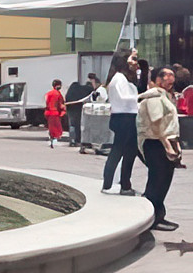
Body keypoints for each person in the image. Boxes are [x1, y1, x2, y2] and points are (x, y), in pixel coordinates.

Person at [137, 65, 181, 230]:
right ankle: (150, 217)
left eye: (172, 75)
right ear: (156, 79)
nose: (170, 79)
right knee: (157, 181)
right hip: (155, 143)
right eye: (166, 76)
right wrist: (167, 146)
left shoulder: (165, 96)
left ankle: (158, 215)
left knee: (164, 180)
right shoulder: (154, 97)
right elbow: (156, 124)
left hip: (164, 142)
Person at [102, 52, 142, 196]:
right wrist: (141, 97)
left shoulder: (125, 78)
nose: (135, 62)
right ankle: (110, 183)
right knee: (118, 151)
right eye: (133, 58)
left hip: (128, 117)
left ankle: (125, 184)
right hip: (123, 117)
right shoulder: (119, 78)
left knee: (129, 152)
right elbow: (125, 97)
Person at [65, 74, 95, 149]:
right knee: (81, 125)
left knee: (72, 125)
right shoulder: (88, 90)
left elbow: (67, 99)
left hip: (71, 109)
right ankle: (79, 140)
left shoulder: (72, 89)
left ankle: (72, 141)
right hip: (79, 110)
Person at [44, 79, 65, 148]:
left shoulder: (48, 93)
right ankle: (54, 141)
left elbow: (47, 103)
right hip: (55, 113)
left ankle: (51, 140)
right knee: (56, 128)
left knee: (51, 128)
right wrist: (63, 109)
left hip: (48, 112)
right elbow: (60, 104)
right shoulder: (58, 94)